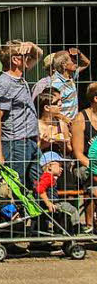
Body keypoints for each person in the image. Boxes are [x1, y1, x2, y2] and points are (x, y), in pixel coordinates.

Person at [0, 40, 45, 194]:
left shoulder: (19, 78)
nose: (30, 58)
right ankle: (9, 217)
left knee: (39, 185)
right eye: (26, 56)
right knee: (15, 188)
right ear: (15, 60)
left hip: (31, 142)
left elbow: (38, 55)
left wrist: (31, 46)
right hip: (16, 144)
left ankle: (36, 217)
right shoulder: (5, 83)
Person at [70, 82, 97, 229]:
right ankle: (89, 225)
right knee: (93, 180)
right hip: (84, 164)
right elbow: (78, 153)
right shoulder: (81, 119)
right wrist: (95, 167)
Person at [35, 152, 83, 233]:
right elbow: (40, 189)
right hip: (53, 204)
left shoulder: (46, 177)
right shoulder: (48, 177)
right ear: (49, 166)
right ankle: (76, 229)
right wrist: (48, 203)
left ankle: (65, 229)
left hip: (52, 203)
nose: (62, 168)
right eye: (59, 166)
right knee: (72, 209)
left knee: (66, 209)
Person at [51, 48, 90, 122]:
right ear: (64, 65)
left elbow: (86, 63)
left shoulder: (71, 76)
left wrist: (79, 53)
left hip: (72, 121)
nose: (76, 62)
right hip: (62, 123)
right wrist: (65, 119)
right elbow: (50, 106)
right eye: (72, 60)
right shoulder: (56, 83)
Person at [37, 88, 72, 154]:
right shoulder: (35, 125)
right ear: (47, 108)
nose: (60, 104)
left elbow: (69, 150)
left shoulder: (61, 124)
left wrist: (63, 145)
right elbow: (29, 150)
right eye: (56, 102)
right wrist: (43, 145)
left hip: (58, 159)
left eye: (61, 101)